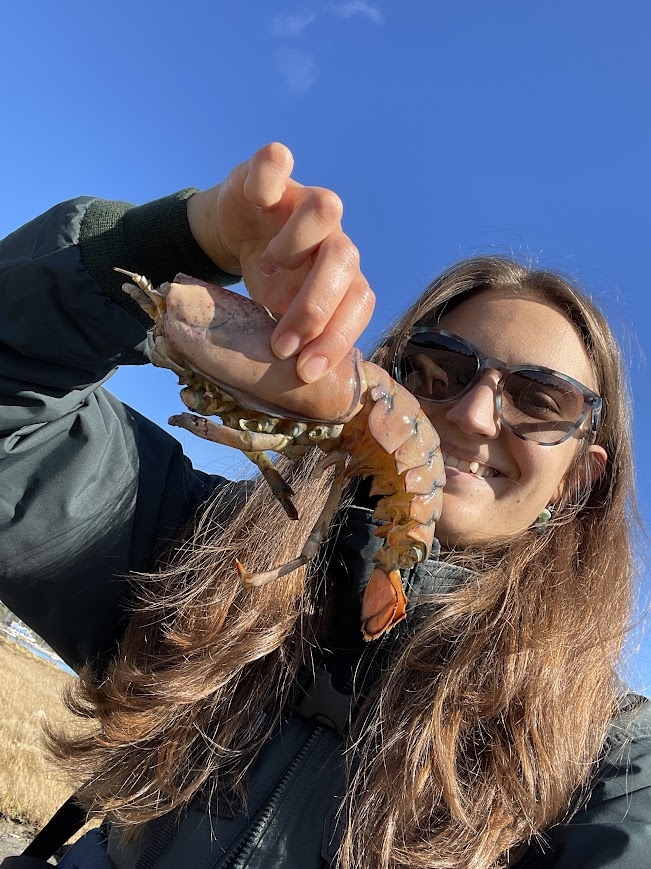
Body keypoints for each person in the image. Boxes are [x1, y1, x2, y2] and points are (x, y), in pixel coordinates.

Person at [0, 143, 649, 869]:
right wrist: (184, 236)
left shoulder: (614, 764)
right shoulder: (198, 551)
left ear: (578, 480)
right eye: (438, 367)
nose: (472, 414)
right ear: (383, 373)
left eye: (538, 400)